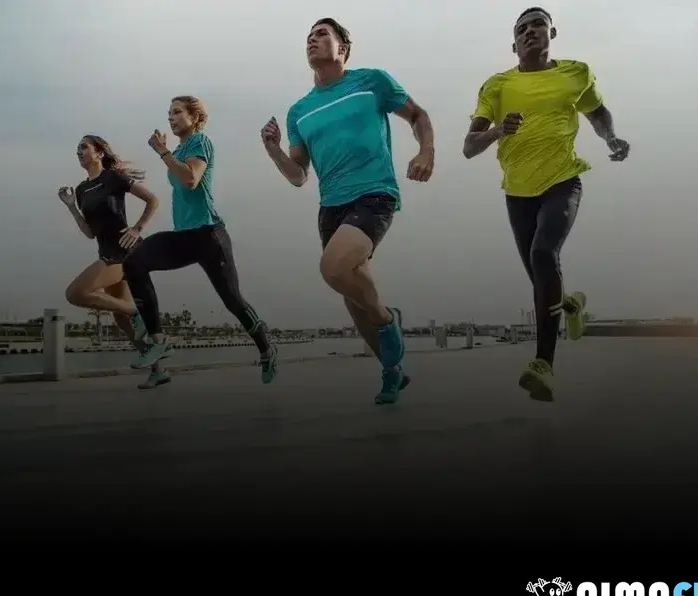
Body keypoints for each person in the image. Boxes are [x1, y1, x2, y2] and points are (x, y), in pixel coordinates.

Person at [260, 18, 434, 404]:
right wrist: (273, 149)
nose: (312, 40)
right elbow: (297, 175)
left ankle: (389, 319)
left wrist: (426, 150)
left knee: (333, 269)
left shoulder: (371, 82)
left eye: (322, 34)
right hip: (331, 208)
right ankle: (391, 371)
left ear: (343, 48)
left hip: (374, 194)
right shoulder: (299, 111)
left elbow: (418, 116)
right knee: (352, 299)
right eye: (308, 36)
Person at [462, 7, 631, 402]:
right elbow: (469, 147)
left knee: (543, 253)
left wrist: (611, 139)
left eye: (537, 24)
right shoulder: (497, 85)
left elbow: (597, 113)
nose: (529, 31)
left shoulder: (576, 73)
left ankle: (543, 364)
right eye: (521, 28)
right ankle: (571, 305)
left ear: (551, 32)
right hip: (517, 193)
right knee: (542, 278)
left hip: (562, 182)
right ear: (514, 43)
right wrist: (496, 131)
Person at [121, 96, 278, 384]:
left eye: (178, 112)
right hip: (184, 236)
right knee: (134, 262)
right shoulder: (180, 149)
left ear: (195, 118)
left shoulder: (199, 143)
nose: (171, 117)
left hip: (209, 236)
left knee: (233, 301)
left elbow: (191, 179)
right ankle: (158, 340)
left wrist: (163, 152)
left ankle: (266, 349)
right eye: (169, 113)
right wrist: (168, 153)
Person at [57, 134, 173, 390]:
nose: (78, 151)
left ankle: (137, 313)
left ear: (98, 153)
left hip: (124, 252)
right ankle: (158, 370)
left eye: (84, 147)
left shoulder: (113, 178)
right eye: (77, 148)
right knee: (119, 318)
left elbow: (152, 199)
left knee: (76, 293)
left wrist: (138, 228)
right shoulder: (81, 190)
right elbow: (89, 233)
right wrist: (70, 207)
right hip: (105, 251)